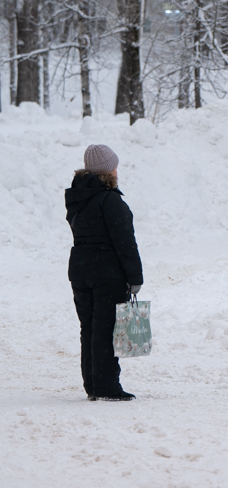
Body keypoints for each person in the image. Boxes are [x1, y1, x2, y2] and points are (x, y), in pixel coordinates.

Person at [65, 144, 143, 401]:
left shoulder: (78, 199)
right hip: (107, 273)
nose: (117, 169)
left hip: (80, 271)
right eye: (115, 165)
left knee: (88, 329)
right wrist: (135, 277)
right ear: (108, 170)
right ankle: (107, 387)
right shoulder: (111, 201)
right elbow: (125, 242)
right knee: (106, 330)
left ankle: (93, 386)